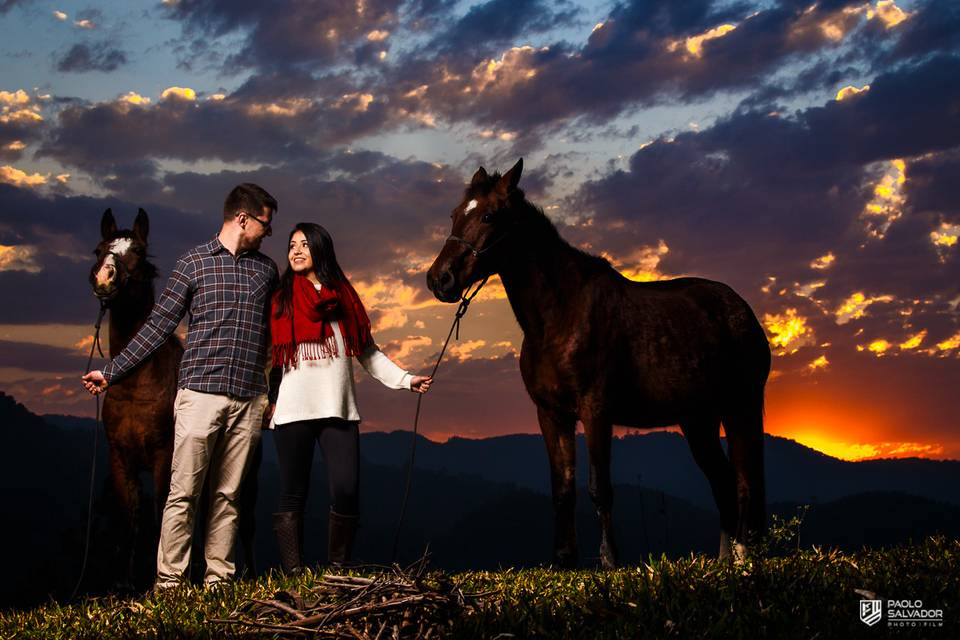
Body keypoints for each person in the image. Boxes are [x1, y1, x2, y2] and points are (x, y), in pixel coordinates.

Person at [82, 183, 279, 589]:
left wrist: (270, 394)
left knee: (227, 497)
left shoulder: (267, 271)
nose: (268, 233)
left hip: (248, 399)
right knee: (183, 492)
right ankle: (169, 583)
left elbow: (272, 337)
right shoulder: (193, 264)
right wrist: (112, 370)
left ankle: (217, 581)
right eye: (265, 224)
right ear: (243, 218)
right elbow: (158, 326)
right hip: (199, 395)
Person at [266, 222, 432, 572]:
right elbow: (270, 356)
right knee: (292, 493)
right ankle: (294, 573)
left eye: (304, 245)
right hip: (293, 410)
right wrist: (268, 399)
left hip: (337, 409)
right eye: (292, 245)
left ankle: (338, 570)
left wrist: (405, 379)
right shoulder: (281, 298)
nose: (296, 251)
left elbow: (368, 353)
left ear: (321, 251)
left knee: (346, 489)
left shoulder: (343, 299)